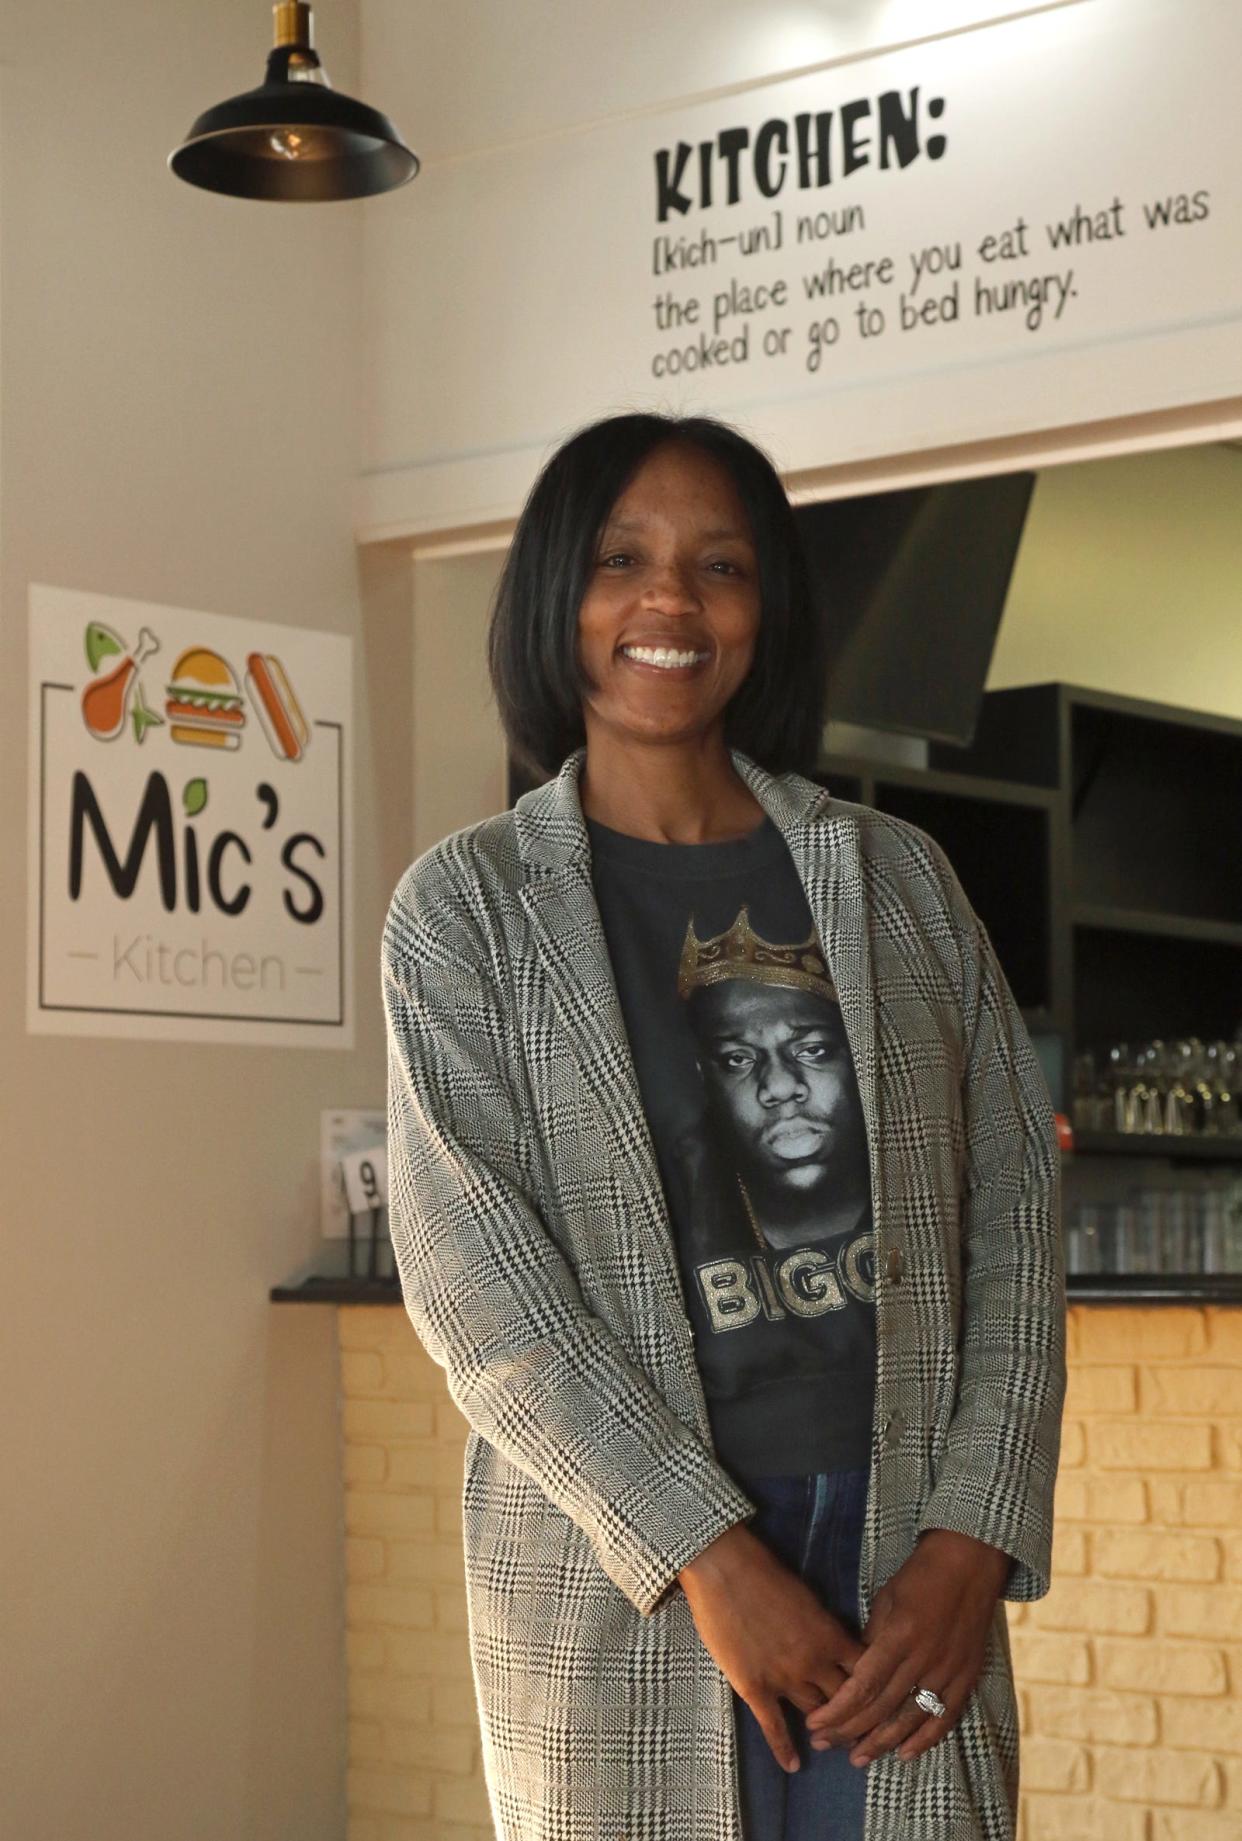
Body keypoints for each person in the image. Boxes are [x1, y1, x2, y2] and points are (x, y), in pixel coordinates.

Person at [382, 410, 1067, 1841]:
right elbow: (483, 1297)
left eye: (721, 566)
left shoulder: (897, 879)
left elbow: (1013, 1220)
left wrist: (969, 1538)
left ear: (768, 610)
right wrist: (704, 1550)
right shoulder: (467, 908)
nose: (670, 602)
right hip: (623, 1564)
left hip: (900, 1555)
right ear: (553, 599)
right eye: (620, 559)